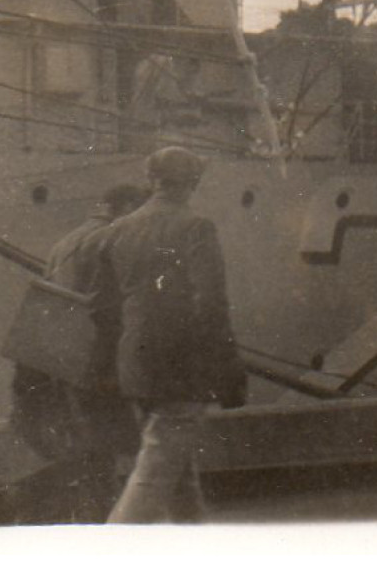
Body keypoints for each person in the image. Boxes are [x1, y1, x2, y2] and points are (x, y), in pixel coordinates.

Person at [98, 146, 246, 523]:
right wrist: (229, 371)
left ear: (151, 180)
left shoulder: (115, 231)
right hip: (180, 367)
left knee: (176, 471)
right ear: (193, 182)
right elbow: (212, 305)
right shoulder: (196, 227)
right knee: (154, 473)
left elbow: (104, 308)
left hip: (134, 364)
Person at [7, 182, 149, 524]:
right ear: (126, 206)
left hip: (59, 360)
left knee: (92, 446)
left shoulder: (67, 241)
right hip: (95, 360)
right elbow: (113, 309)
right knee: (110, 445)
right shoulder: (111, 241)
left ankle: (92, 515)